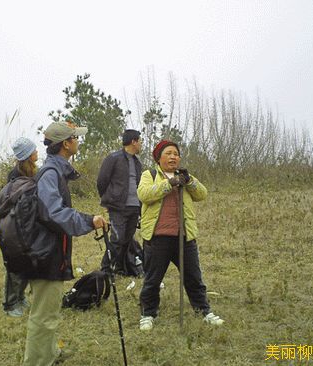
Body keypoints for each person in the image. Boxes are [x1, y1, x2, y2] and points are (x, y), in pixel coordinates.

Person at [22, 121, 108, 366]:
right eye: (75, 138)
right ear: (66, 144)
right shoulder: (51, 174)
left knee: (47, 311)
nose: (78, 141)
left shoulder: (55, 171)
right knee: (43, 316)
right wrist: (89, 220)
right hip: (44, 254)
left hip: (47, 252)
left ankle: (49, 354)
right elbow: (54, 214)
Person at [137, 140, 224, 331]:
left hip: (184, 237)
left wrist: (189, 181)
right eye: (168, 153)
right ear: (158, 158)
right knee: (153, 279)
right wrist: (169, 184)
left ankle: (203, 311)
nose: (173, 157)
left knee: (193, 277)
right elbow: (144, 194)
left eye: (176, 153)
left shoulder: (185, 176)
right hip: (157, 237)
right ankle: (148, 314)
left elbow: (202, 194)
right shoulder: (149, 175)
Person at [96, 129, 143, 276]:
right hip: (118, 207)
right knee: (117, 239)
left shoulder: (137, 162)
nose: (141, 144)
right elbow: (101, 181)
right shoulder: (114, 158)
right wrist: (110, 198)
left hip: (135, 207)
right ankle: (105, 270)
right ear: (133, 141)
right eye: (140, 141)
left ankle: (122, 268)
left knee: (127, 240)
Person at [1, 137, 38, 317]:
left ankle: (21, 297)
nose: (37, 152)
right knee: (15, 266)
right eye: (34, 150)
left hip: (26, 224)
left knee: (27, 263)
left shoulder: (32, 172)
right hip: (14, 225)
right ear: (28, 155)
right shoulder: (14, 176)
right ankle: (10, 304)